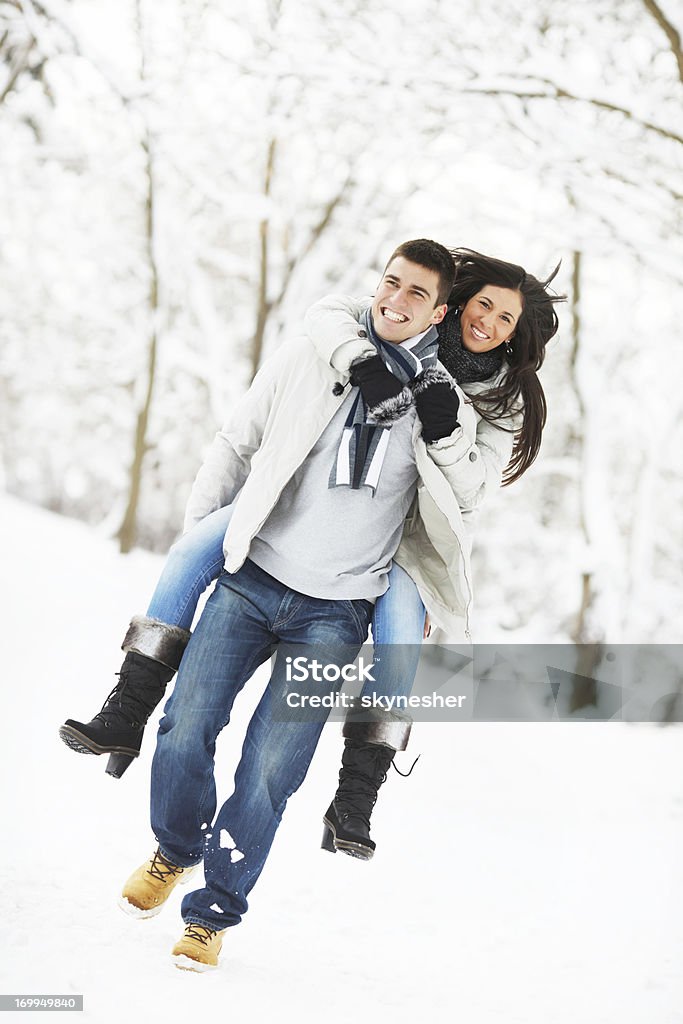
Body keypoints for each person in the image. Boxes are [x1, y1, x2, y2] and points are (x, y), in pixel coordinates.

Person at [60, 247, 563, 869]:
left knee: (394, 641)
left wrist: (445, 430)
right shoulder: (368, 334)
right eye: (481, 304)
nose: (487, 322)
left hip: (385, 557)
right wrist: (361, 360)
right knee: (188, 669)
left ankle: (356, 793)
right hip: (270, 552)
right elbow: (328, 315)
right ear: (453, 304)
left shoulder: (492, 398)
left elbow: (473, 494)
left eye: (506, 319)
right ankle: (133, 714)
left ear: (517, 335)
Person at [108, 238, 492, 971]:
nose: (396, 299)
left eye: (416, 294)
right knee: (184, 729)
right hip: (252, 579)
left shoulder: (445, 399)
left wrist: (441, 432)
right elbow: (239, 437)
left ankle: (213, 911)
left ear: (438, 311)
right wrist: (203, 534)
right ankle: (175, 849)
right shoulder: (325, 351)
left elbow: (470, 497)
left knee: (268, 771)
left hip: (336, 611)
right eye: (390, 282)